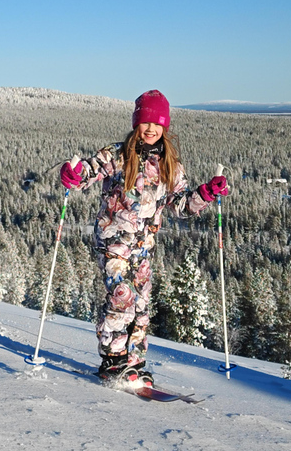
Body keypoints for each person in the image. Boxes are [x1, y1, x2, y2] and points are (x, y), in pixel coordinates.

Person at [59, 89, 229, 386]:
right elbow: (90, 170)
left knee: (140, 304)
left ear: (165, 127)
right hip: (114, 242)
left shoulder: (170, 165)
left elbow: (181, 205)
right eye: (146, 122)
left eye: (157, 123)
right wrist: (74, 173)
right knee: (121, 297)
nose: (151, 129)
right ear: (137, 123)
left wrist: (206, 193)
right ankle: (113, 359)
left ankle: (134, 360)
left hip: (143, 247)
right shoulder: (117, 154)